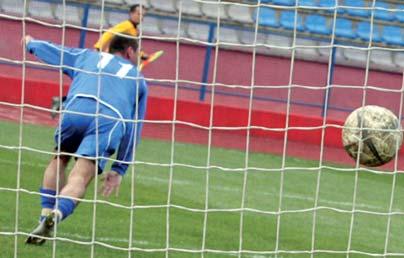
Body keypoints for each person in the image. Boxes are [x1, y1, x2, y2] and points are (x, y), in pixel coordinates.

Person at [24, 33, 148, 245]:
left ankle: (45, 215)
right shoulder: (138, 79)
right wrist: (120, 169)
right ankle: (57, 215)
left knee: (59, 159)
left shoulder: (86, 56)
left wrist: (30, 44)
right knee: (80, 176)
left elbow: (54, 51)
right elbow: (133, 129)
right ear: (129, 51)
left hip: (77, 108)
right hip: (108, 118)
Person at [50, 4, 149, 118]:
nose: (141, 17)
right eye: (139, 14)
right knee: (97, 87)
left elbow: (131, 47)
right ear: (131, 14)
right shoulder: (126, 26)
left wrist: (141, 54)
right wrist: (99, 48)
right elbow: (108, 34)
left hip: (111, 62)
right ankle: (65, 102)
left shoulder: (133, 30)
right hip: (106, 60)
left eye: (143, 15)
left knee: (98, 87)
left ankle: (63, 101)